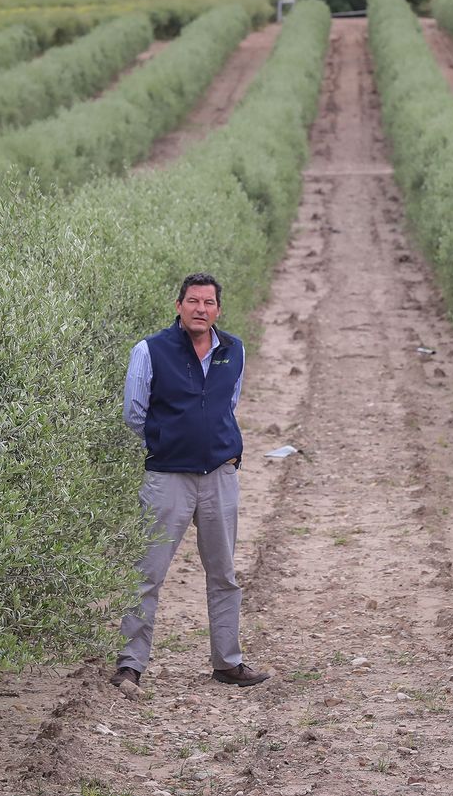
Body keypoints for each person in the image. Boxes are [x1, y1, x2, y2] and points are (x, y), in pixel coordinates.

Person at [110, 272, 270, 689]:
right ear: (178, 306)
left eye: (209, 303)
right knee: (147, 573)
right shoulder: (150, 350)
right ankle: (131, 664)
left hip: (219, 476)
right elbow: (134, 413)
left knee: (224, 574)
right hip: (167, 478)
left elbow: (228, 404)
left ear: (218, 309)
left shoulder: (234, 350)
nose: (201, 309)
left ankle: (228, 663)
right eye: (193, 301)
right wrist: (169, 441)